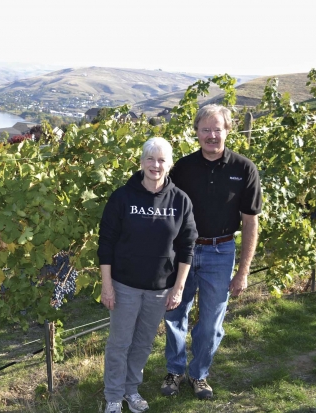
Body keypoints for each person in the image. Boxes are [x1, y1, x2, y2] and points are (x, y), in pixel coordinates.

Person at [161, 104, 262, 400]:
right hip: (183, 253)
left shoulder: (244, 169)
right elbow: (166, 211)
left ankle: (199, 374)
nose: (211, 135)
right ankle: (175, 371)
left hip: (222, 251)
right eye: (205, 129)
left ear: (228, 130)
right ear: (196, 133)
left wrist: (242, 272)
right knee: (174, 313)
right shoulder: (182, 168)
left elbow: (250, 222)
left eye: (217, 129)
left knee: (211, 322)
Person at [98, 137, 198, 413]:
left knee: (142, 343)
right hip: (124, 285)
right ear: (141, 162)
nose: (156, 165)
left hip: (159, 289)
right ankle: (114, 396)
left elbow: (187, 247)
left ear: (170, 164)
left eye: (162, 159)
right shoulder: (122, 197)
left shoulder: (180, 200)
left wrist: (178, 288)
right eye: (150, 159)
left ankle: (132, 390)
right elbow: (105, 243)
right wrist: (107, 285)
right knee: (120, 343)